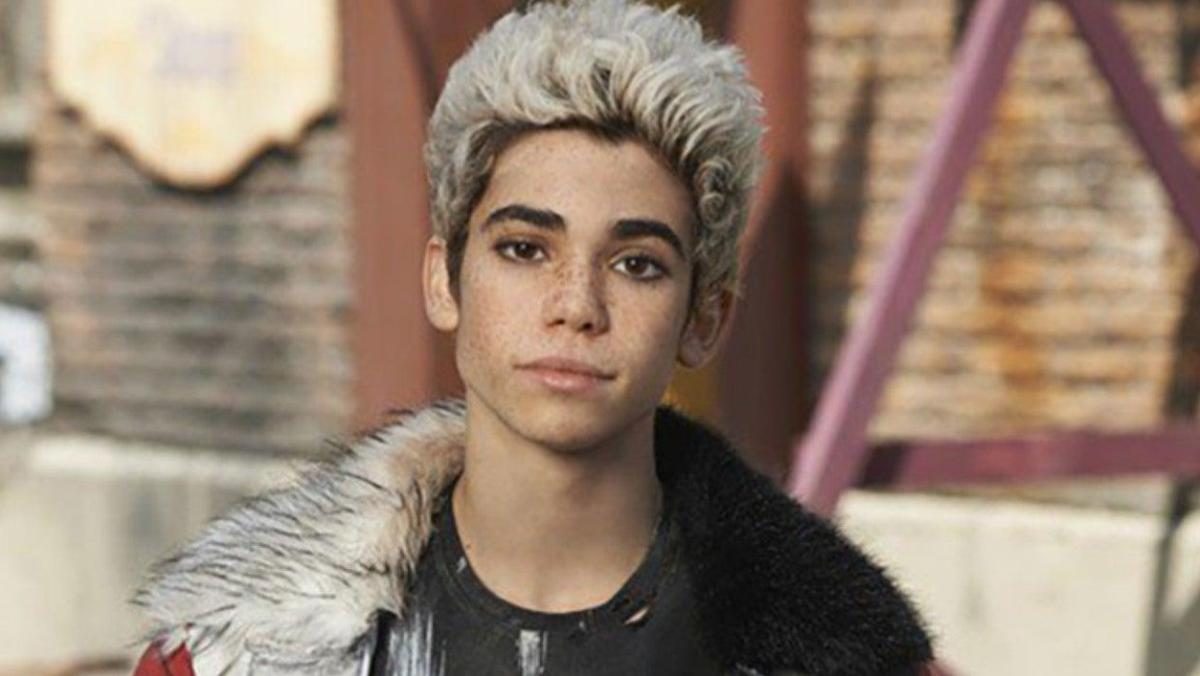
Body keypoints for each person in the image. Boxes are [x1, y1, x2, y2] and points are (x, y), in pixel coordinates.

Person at [132, 1, 934, 674]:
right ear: (444, 279)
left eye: (637, 264)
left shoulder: (852, 660)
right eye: (523, 249)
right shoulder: (234, 654)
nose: (576, 305)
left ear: (704, 319)